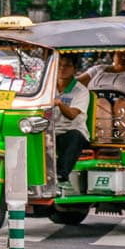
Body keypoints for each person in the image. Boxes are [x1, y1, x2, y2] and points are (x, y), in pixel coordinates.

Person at [51, 54, 90, 189]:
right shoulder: (47, 86)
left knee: (75, 135)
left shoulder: (81, 91)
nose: (62, 68)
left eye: (67, 65)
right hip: (50, 131)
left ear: (75, 69)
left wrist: (60, 104)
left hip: (69, 133)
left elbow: (72, 115)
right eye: (60, 65)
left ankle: (61, 176)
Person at [77, 50, 125, 143]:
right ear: (113, 54)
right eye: (121, 53)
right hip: (93, 104)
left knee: (120, 104)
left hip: (124, 106)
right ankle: (104, 144)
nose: (124, 57)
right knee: (101, 103)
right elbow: (75, 85)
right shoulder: (98, 69)